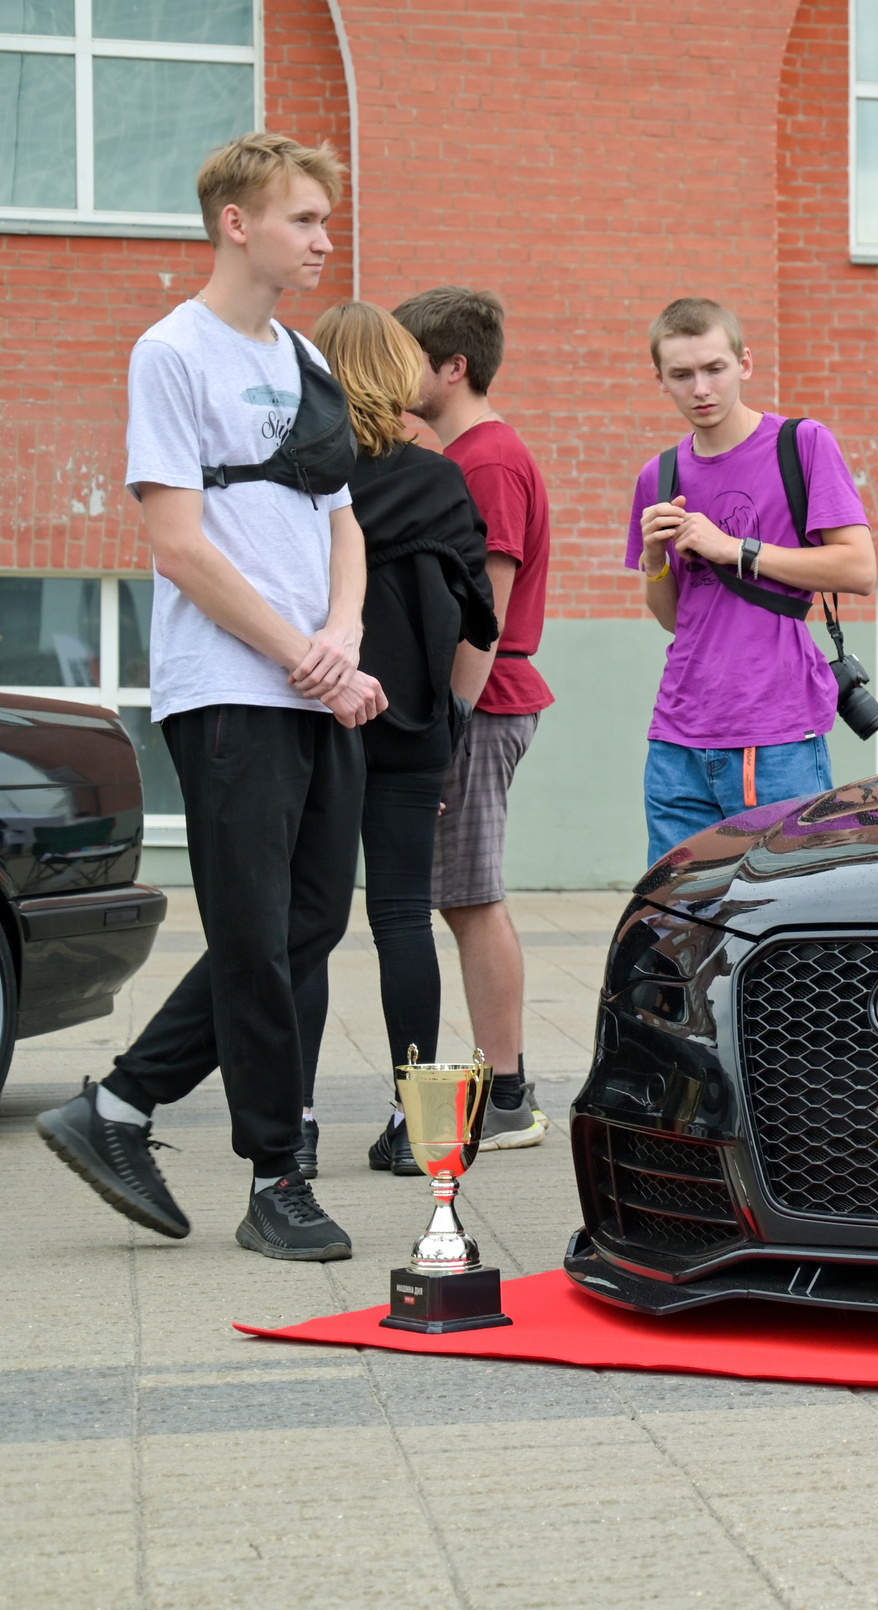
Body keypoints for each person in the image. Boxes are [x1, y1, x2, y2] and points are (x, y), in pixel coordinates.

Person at [36, 133, 385, 1260]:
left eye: (325, 221)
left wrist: (340, 636)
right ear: (237, 222)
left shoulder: (304, 359)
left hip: (309, 677)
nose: (324, 240)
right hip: (229, 683)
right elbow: (179, 545)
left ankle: (122, 1104)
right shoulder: (169, 352)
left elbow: (343, 521)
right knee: (250, 928)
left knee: (308, 922)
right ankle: (277, 1174)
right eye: (303, 219)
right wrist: (299, 650)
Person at [295, 301, 497, 1177]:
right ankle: (421, 1132)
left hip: (316, 715)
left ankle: (292, 1123)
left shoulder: (304, 477)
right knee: (403, 915)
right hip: (415, 722)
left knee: (306, 923)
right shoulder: (439, 478)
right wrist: (450, 721)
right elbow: (477, 618)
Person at [628, 297, 877, 864]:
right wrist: (652, 555)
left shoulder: (802, 443)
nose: (701, 388)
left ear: (744, 363)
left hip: (776, 731)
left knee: (784, 907)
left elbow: (858, 569)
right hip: (677, 735)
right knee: (677, 920)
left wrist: (734, 549)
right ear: (660, 380)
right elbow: (674, 616)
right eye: (682, 375)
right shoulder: (659, 474)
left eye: (714, 368)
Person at [393, 287, 554, 1147]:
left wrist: (447, 720)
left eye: (407, 356)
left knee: (471, 898)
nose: (394, 373)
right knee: (464, 896)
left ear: (452, 367)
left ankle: (510, 1097)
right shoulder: (470, 453)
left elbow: (481, 609)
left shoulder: (486, 461)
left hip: (481, 702)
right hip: (480, 700)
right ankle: (509, 1089)